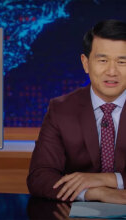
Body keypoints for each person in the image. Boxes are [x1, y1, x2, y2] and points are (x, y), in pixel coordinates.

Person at [27, 19, 126, 203]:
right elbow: (39, 176)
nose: (112, 71)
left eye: (122, 61)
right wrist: (94, 192)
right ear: (86, 63)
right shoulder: (61, 109)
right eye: (103, 60)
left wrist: (107, 179)